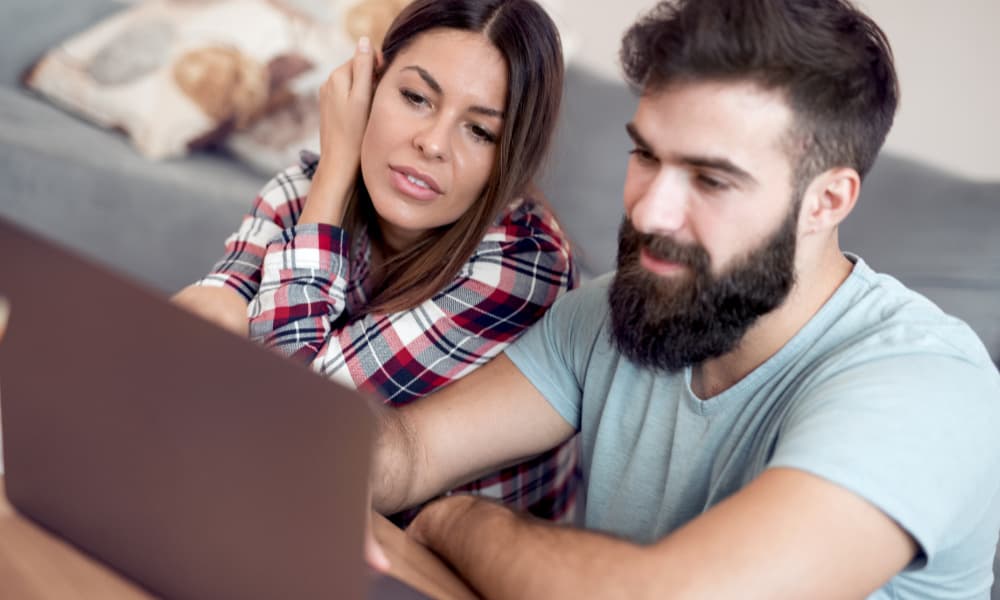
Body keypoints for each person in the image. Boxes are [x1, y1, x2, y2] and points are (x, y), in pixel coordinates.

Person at [367, 0, 1000, 597]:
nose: (649, 209)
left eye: (710, 178)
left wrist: (455, 522)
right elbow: (411, 450)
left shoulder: (929, 387)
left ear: (826, 201)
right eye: (645, 153)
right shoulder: (623, 305)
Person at [173, 0, 579, 524]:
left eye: (480, 131)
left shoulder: (524, 270)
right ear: (369, 84)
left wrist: (337, 172)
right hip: (307, 513)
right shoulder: (307, 187)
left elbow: (295, 422)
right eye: (415, 97)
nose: (431, 143)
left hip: (443, 564)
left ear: (513, 156)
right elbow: (203, 321)